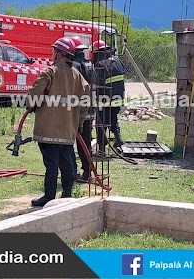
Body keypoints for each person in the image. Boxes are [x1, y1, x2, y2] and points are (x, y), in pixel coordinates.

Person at [27, 37, 89, 206]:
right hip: (68, 130)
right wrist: (78, 124)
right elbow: (85, 104)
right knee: (66, 162)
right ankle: (67, 194)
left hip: (48, 130)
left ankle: (48, 197)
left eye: (54, 51)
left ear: (59, 53)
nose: (52, 53)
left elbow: (34, 95)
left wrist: (31, 107)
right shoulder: (79, 77)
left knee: (51, 164)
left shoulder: (50, 72)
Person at [69, 36, 97, 181]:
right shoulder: (90, 64)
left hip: (78, 111)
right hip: (90, 109)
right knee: (86, 142)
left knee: (73, 142)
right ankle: (87, 171)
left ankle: (76, 173)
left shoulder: (75, 66)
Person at [91, 40, 126, 155]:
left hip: (105, 99)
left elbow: (97, 84)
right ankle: (118, 142)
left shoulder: (100, 64)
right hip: (118, 98)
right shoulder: (117, 60)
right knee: (113, 119)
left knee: (101, 123)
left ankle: (101, 149)